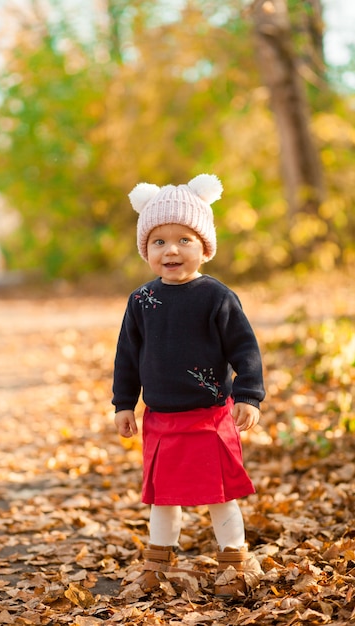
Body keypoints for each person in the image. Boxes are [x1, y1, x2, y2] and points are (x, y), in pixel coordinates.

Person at [112, 174, 265, 597]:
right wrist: (123, 403)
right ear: (147, 250)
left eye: (184, 239)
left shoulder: (216, 296)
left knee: (220, 495)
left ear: (204, 247)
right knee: (163, 498)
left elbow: (244, 348)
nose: (171, 250)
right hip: (161, 418)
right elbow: (127, 355)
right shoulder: (142, 300)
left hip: (210, 415)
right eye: (158, 242)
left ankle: (234, 562)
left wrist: (249, 394)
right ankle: (158, 564)